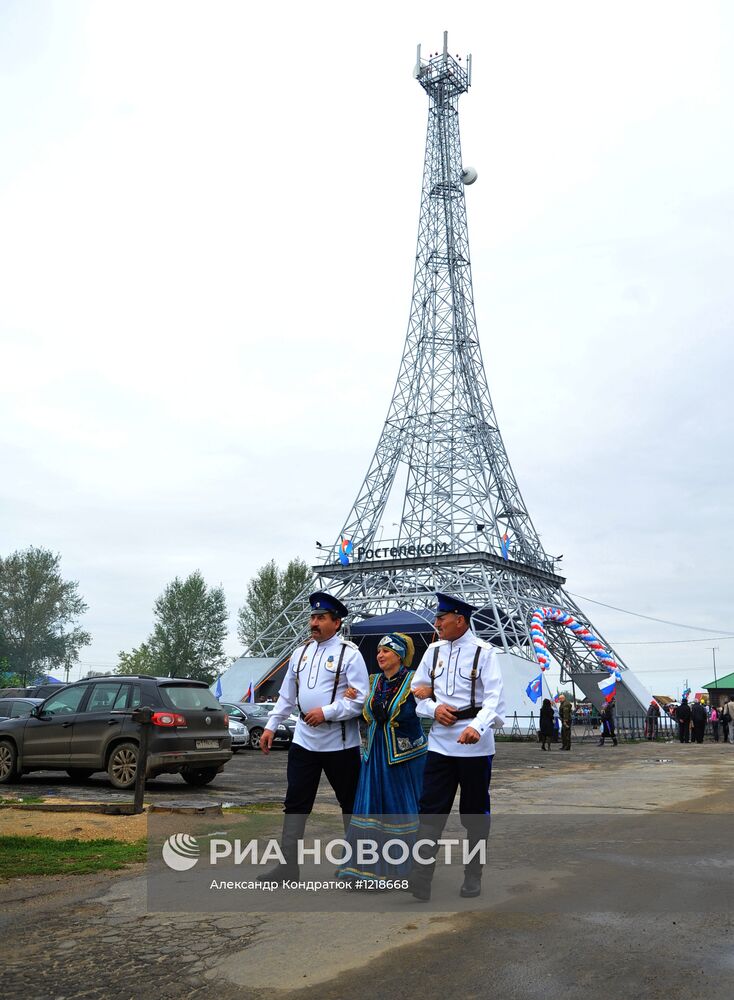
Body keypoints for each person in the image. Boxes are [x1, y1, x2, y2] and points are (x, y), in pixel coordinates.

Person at [260, 591, 369, 880]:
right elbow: (286, 697)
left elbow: (360, 700)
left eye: (321, 618)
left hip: (341, 743)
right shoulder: (300, 653)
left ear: (337, 622)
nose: (314, 623)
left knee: (349, 802)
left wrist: (328, 712)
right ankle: (288, 866)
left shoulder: (350, 654)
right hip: (304, 741)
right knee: (295, 802)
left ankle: (356, 865)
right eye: (312, 617)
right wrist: (271, 725)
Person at [407, 592, 506, 901]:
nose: (436, 624)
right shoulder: (433, 651)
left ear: (459, 620)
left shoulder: (484, 652)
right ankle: (421, 876)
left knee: (474, 813)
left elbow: (495, 698)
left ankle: (473, 874)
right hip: (440, 741)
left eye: (441, 618)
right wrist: (433, 708)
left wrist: (477, 727)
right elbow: (416, 690)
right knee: (430, 810)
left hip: (474, 745)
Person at [338, 632, 427, 882]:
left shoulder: (413, 681)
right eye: (378, 651)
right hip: (375, 753)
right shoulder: (373, 680)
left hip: (402, 756)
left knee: (399, 808)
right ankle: (364, 868)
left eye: (386, 651)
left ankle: (402, 868)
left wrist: (390, 711)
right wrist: (352, 696)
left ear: (399, 656)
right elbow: (363, 709)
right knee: (371, 807)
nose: (380, 655)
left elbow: (414, 712)